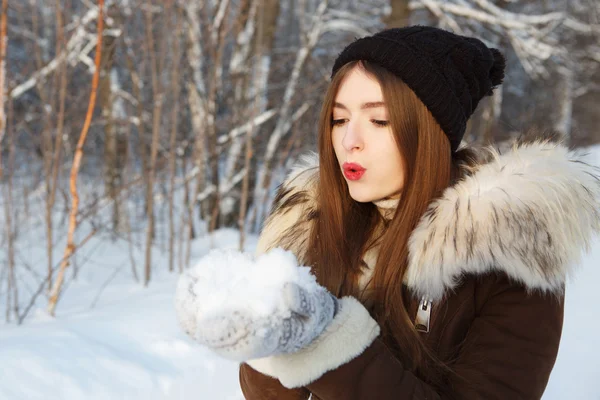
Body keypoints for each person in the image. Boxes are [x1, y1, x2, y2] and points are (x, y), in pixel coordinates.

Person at [176, 26, 600, 399]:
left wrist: (327, 340)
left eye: (378, 121)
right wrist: (267, 332)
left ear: (431, 132)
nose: (349, 141)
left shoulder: (511, 255)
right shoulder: (314, 226)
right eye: (339, 120)